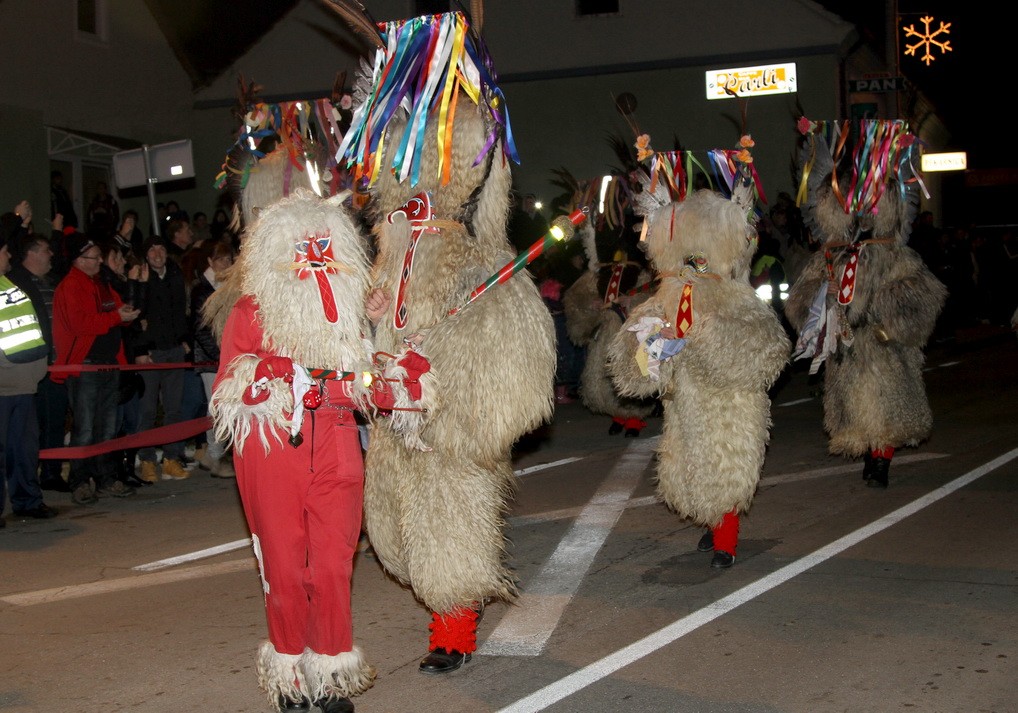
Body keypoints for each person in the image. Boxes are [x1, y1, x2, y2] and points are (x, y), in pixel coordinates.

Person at [337, 9, 558, 676]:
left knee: (449, 513)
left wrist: (453, 382)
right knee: (397, 526)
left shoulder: (471, 258)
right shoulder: (391, 251)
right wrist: (371, 311)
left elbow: (507, 356)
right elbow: (380, 300)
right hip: (392, 406)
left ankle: (454, 627)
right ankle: (447, 609)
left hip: (444, 413)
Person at [210, 189, 431, 713]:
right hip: (274, 452)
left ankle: (331, 671)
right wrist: (273, 377)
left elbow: (367, 372)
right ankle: (291, 673)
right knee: (285, 566)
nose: (315, 255)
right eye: (304, 246)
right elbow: (228, 389)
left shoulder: (349, 309)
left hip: (336, 443)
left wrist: (395, 377)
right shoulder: (249, 311)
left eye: (324, 244)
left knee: (332, 564)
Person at [609, 178, 791, 569]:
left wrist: (709, 336)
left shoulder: (737, 298)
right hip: (686, 400)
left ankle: (727, 538)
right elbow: (637, 362)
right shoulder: (667, 296)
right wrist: (648, 343)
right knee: (691, 466)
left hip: (729, 402)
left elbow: (767, 348)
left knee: (727, 463)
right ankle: (714, 524)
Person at [785, 119, 947, 488]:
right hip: (845, 346)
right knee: (856, 410)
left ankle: (881, 460)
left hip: (882, 341)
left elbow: (923, 291)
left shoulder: (893, 253)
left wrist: (889, 315)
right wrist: (820, 300)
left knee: (888, 405)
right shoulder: (830, 255)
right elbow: (800, 299)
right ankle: (870, 454)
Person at [52, 233, 141, 505]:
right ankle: (80, 481)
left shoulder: (100, 284)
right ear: (80, 260)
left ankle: (104, 478)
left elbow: (114, 311)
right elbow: (81, 324)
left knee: (107, 427)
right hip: (87, 366)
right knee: (85, 428)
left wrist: (123, 312)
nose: (100, 260)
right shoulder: (71, 286)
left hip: (107, 364)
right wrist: (117, 317)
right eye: (95, 257)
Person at [563, 222, 656, 435]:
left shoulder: (641, 274)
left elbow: (650, 297)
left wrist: (630, 303)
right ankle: (617, 414)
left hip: (628, 331)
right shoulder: (600, 273)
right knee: (604, 374)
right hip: (605, 330)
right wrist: (591, 304)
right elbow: (575, 296)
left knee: (629, 372)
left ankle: (634, 418)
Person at [0, 217, 57, 525]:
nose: (10, 256)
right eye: (5, 251)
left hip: (24, 384)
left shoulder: (11, 285)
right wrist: (16, 221)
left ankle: (28, 501)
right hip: (3, 387)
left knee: (24, 449)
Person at [7, 231, 69, 493]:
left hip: (57, 363)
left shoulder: (54, 282)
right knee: (31, 429)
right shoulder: (17, 282)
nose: (51, 254)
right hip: (27, 367)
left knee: (56, 419)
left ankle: (51, 474)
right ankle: (27, 479)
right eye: (46, 249)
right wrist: (18, 223)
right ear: (30, 254)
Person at [134, 235, 191, 483]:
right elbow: (136, 315)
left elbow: (181, 311)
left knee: (174, 409)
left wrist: (184, 339)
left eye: (161, 248)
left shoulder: (176, 276)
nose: (157, 253)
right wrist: (140, 349)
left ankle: (171, 458)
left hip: (174, 350)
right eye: (152, 249)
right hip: (151, 353)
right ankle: (147, 460)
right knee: (147, 410)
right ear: (145, 255)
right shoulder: (139, 279)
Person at [190, 239, 235, 478]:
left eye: (228, 259)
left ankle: (215, 455)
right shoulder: (202, 290)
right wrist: (220, 357)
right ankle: (215, 456)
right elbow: (200, 329)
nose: (225, 264)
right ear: (210, 261)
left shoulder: (229, 287)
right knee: (216, 408)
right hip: (211, 360)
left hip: (227, 356)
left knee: (223, 408)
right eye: (220, 259)